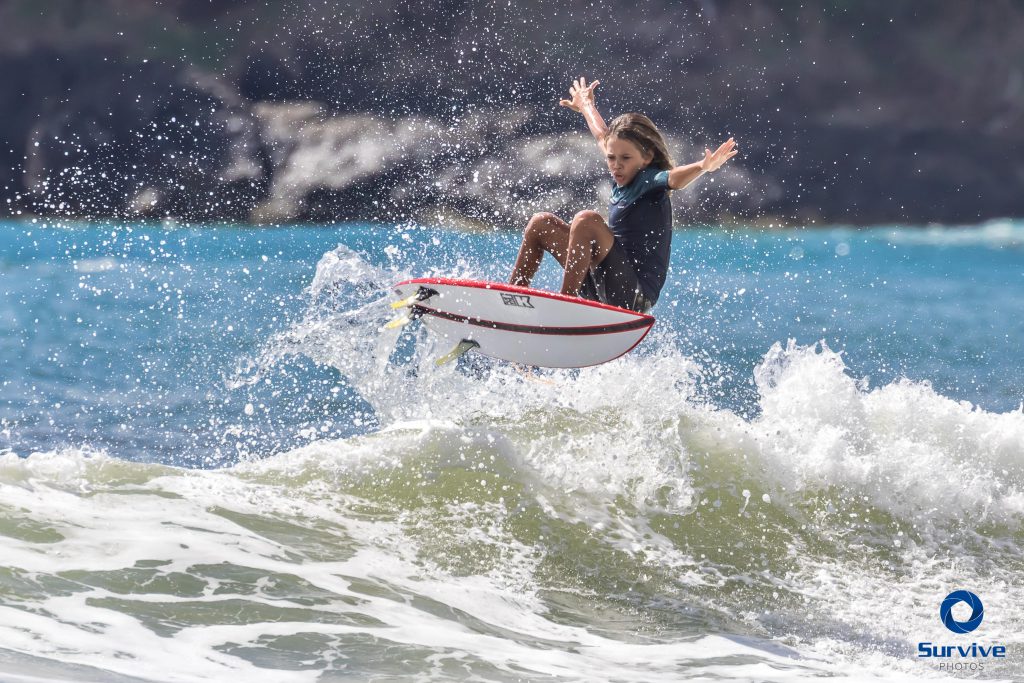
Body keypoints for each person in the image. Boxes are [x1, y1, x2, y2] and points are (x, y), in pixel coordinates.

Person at [508, 77, 738, 312]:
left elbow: (674, 179)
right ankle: (512, 302)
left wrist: (702, 167)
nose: (616, 165)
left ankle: (565, 307)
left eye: (625, 159)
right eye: (611, 158)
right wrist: (586, 105)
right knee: (540, 223)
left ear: (646, 158)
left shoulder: (650, 179)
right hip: (602, 283)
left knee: (586, 221)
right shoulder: (620, 164)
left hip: (635, 296)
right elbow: (601, 136)